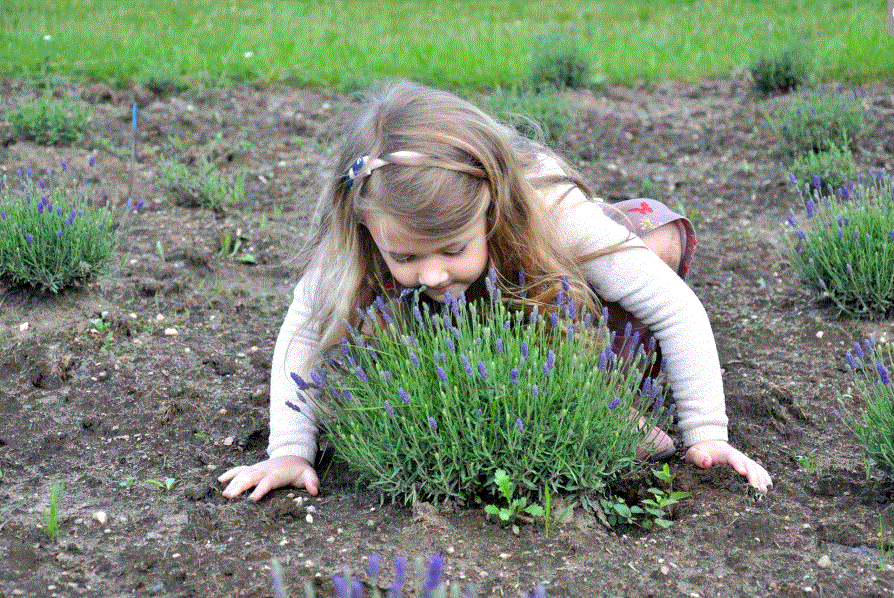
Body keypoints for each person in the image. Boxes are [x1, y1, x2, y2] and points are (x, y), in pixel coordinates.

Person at [219, 80, 772, 501]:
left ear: (492, 204)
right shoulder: (360, 232)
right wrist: (290, 450)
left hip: (549, 287)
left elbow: (676, 310)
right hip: (470, 332)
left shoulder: (551, 212)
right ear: (365, 225)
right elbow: (302, 332)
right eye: (406, 255)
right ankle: (571, 399)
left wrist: (707, 433)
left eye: (451, 248)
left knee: (647, 255)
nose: (432, 274)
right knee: (374, 324)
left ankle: (596, 397)